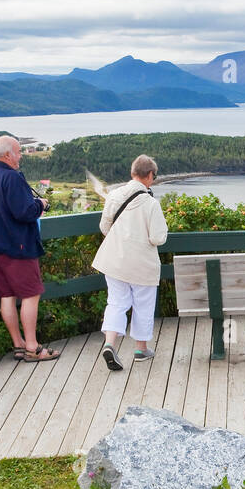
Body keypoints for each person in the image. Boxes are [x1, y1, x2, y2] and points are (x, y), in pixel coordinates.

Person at [0, 135, 59, 362]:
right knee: (31, 294)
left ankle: (19, 345)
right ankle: (32, 346)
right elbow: (24, 212)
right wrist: (40, 204)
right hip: (16, 246)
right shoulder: (12, 178)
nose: (21, 156)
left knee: (7, 295)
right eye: (19, 152)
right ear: (9, 154)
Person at [92, 155, 169, 370]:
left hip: (115, 260)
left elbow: (104, 226)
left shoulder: (115, 195)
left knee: (116, 302)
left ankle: (109, 344)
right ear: (151, 176)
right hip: (142, 264)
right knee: (143, 304)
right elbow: (158, 238)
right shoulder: (150, 203)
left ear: (132, 172)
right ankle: (141, 349)